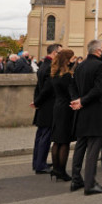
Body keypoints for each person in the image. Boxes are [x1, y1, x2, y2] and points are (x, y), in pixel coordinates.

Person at [69, 40, 102, 196]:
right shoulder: (99, 66)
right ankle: (90, 184)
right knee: (93, 147)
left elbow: (71, 85)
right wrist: (82, 101)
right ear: (98, 51)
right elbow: (99, 89)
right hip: (94, 111)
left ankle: (76, 179)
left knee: (81, 145)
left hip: (81, 110)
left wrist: (76, 100)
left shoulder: (80, 65)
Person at [30, 43, 61, 174]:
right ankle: (40, 164)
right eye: (60, 53)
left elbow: (39, 88)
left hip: (43, 105)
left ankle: (37, 162)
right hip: (48, 106)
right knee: (45, 136)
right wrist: (38, 101)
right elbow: (47, 89)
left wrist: (37, 102)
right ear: (54, 53)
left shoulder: (43, 65)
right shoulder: (50, 67)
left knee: (40, 135)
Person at [49, 49, 77, 181]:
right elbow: (71, 93)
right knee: (64, 141)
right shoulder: (66, 76)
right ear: (67, 59)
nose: (74, 61)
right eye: (72, 58)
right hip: (66, 108)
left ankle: (55, 169)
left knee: (57, 141)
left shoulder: (54, 74)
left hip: (57, 107)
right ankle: (61, 171)